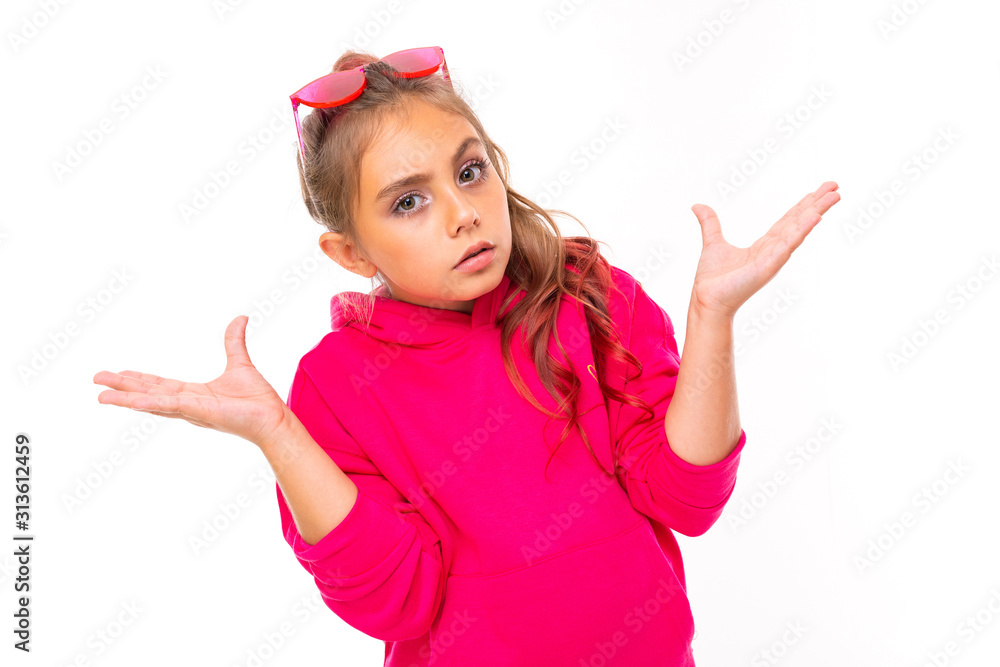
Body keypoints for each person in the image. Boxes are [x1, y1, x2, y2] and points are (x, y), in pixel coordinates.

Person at [93, 45, 840, 666]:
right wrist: (280, 436)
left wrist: (713, 318)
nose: (462, 213)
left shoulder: (588, 294)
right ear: (351, 253)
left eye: (469, 170)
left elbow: (686, 497)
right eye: (408, 201)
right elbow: (396, 599)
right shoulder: (337, 383)